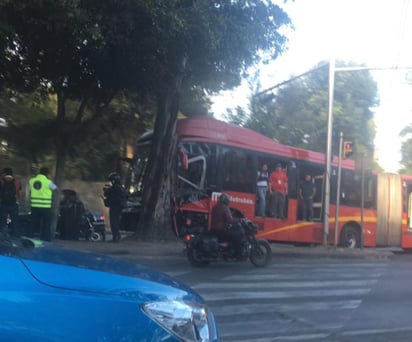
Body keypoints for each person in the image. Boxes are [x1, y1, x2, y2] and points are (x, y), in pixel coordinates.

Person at [210, 193, 243, 258]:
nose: (229, 201)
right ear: (225, 200)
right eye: (228, 200)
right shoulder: (224, 208)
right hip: (221, 230)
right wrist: (239, 220)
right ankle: (238, 254)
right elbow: (229, 220)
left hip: (214, 230)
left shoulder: (215, 207)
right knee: (237, 235)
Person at [29, 167, 57, 241]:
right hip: (45, 206)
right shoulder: (48, 182)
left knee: (32, 223)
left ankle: (30, 237)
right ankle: (45, 239)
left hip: (34, 206)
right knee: (46, 223)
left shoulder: (31, 181)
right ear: (47, 173)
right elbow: (55, 188)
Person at [103, 172, 127, 242]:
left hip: (115, 207)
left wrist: (107, 190)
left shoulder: (115, 187)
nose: (111, 182)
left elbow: (107, 193)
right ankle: (117, 235)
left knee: (114, 221)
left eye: (112, 180)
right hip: (118, 206)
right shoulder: (121, 188)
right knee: (116, 221)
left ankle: (115, 236)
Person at [0, 167, 22, 237]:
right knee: (15, 220)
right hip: (14, 204)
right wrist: (18, 201)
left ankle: (2, 235)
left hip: (3, 204)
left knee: (3, 220)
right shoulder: (17, 182)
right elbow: (19, 191)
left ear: (4, 173)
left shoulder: (1, 181)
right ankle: (15, 235)